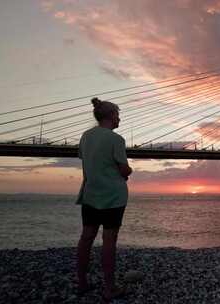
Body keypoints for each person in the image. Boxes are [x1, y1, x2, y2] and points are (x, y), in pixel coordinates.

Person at [75, 97, 133, 303]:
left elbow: (87, 159)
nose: (119, 119)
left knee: (86, 237)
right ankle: (109, 288)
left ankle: (82, 283)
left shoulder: (85, 136)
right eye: (118, 115)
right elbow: (123, 168)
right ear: (110, 116)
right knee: (109, 241)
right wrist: (128, 171)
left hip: (90, 194)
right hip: (113, 197)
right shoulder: (116, 139)